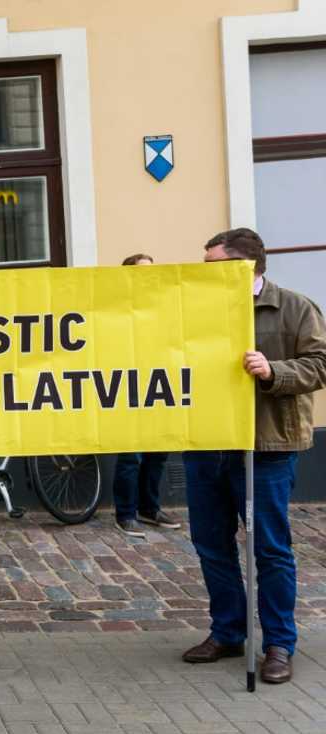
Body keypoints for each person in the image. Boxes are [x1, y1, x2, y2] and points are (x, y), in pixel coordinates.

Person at [181, 229, 326, 684]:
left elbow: (319, 364)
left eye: (212, 264)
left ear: (245, 265)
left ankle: (279, 643)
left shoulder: (295, 307)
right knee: (211, 544)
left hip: (267, 446)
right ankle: (228, 631)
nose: (204, 272)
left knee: (270, 548)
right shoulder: (194, 307)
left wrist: (272, 370)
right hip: (207, 443)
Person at [112, 253, 180, 539]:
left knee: (157, 454)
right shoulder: (116, 309)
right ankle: (126, 514)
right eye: (143, 272)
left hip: (160, 386)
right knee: (132, 456)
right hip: (129, 388)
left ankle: (149, 508)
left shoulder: (163, 305)